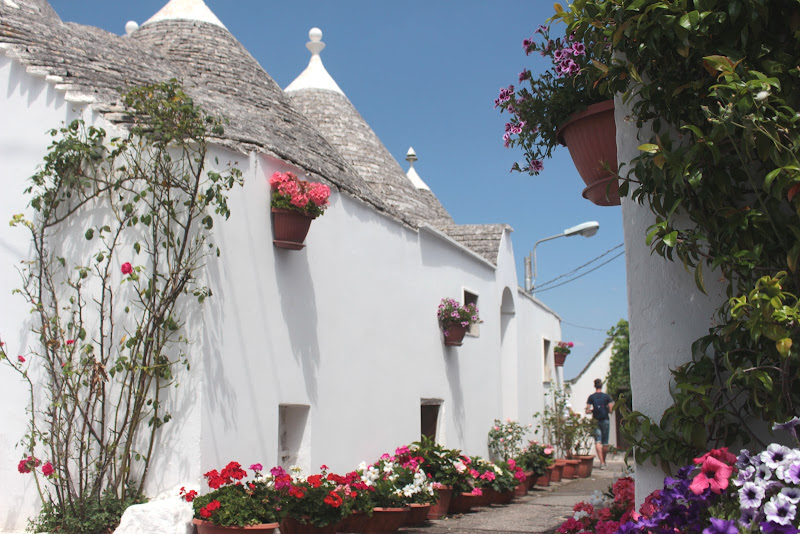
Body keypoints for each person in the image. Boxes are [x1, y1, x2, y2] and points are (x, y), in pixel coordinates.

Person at [585, 378, 614, 469]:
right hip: (605, 419)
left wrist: (592, 411)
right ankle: (603, 462)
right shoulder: (606, 397)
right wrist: (609, 411)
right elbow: (611, 408)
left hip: (596, 420)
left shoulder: (591, 397)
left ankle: (601, 461)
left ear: (595, 386)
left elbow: (587, 410)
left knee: (598, 441)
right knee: (605, 442)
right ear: (601, 385)